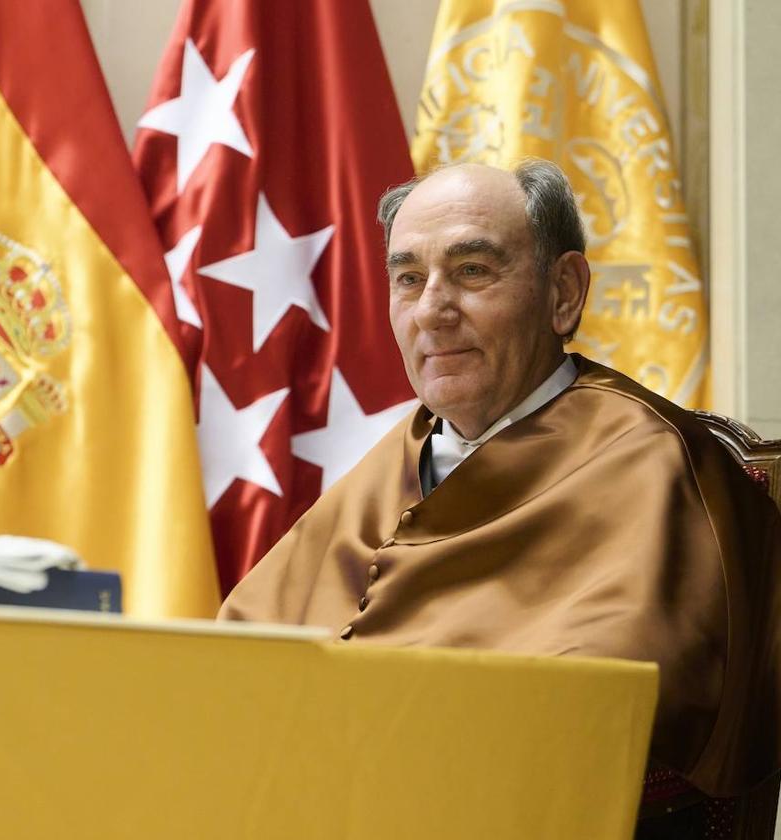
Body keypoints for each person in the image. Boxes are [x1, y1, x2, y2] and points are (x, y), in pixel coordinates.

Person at [218, 160, 781, 811]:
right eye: (408, 279)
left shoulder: (653, 460)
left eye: (472, 271)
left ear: (564, 291)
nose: (432, 310)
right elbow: (240, 661)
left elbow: (593, 714)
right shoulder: (403, 452)